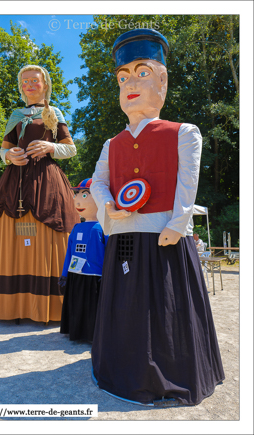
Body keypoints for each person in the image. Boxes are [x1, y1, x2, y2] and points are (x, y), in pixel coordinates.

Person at [90, 29, 224, 406]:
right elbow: (98, 181)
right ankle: (123, 369)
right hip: (124, 239)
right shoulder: (110, 143)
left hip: (164, 237)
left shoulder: (184, 132)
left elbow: (188, 183)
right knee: (125, 309)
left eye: (142, 73)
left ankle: (173, 372)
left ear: (162, 81)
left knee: (167, 310)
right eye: (122, 77)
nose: (130, 83)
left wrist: (177, 225)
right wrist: (108, 206)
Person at [0, 65, 80, 323]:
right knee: (15, 239)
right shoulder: (15, 114)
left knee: (47, 238)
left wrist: (50, 146)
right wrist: (9, 156)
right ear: (21, 85)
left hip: (46, 182)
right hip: (14, 184)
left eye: (34, 81)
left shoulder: (54, 112)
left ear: (45, 84)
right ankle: (12, 306)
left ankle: (50, 307)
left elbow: (70, 149)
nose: (29, 85)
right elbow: (4, 150)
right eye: (25, 81)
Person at [59, 179, 108, 342]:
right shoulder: (76, 228)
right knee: (77, 306)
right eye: (77, 194)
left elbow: (109, 253)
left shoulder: (104, 228)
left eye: (85, 194)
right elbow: (69, 253)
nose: (78, 200)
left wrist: (108, 274)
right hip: (76, 274)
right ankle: (75, 330)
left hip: (95, 276)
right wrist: (65, 274)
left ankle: (92, 334)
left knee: (91, 308)